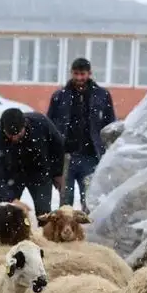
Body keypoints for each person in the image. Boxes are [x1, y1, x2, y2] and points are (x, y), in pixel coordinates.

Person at [46, 57, 116, 213]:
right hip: (66, 157)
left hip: (91, 155)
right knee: (66, 201)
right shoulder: (59, 96)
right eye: (76, 74)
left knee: (90, 200)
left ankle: (88, 232)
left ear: (89, 73)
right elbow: (49, 125)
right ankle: (65, 233)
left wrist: (110, 152)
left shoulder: (102, 95)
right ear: (71, 73)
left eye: (82, 74)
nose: (79, 78)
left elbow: (110, 125)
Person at [0, 107, 64, 217]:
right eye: (10, 135)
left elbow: (58, 146)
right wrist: (11, 199)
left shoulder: (41, 123)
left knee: (44, 213)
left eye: (18, 134)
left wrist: (57, 173)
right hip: (11, 174)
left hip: (39, 170)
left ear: (25, 125)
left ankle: (42, 232)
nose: (14, 138)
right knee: (6, 214)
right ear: (3, 129)